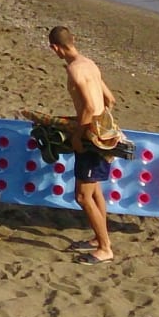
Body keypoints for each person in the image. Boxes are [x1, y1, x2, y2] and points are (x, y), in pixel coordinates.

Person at [48, 25, 119, 263]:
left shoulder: (74, 70)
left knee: (82, 196)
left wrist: (78, 135)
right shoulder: (89, 63)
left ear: (55, 48)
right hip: (103, 132)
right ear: (73, 40)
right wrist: (101, 123)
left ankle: (105, 249)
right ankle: (99, 239)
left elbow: (89, 106)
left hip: (91, 137)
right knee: (94, 190)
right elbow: (110, 99)